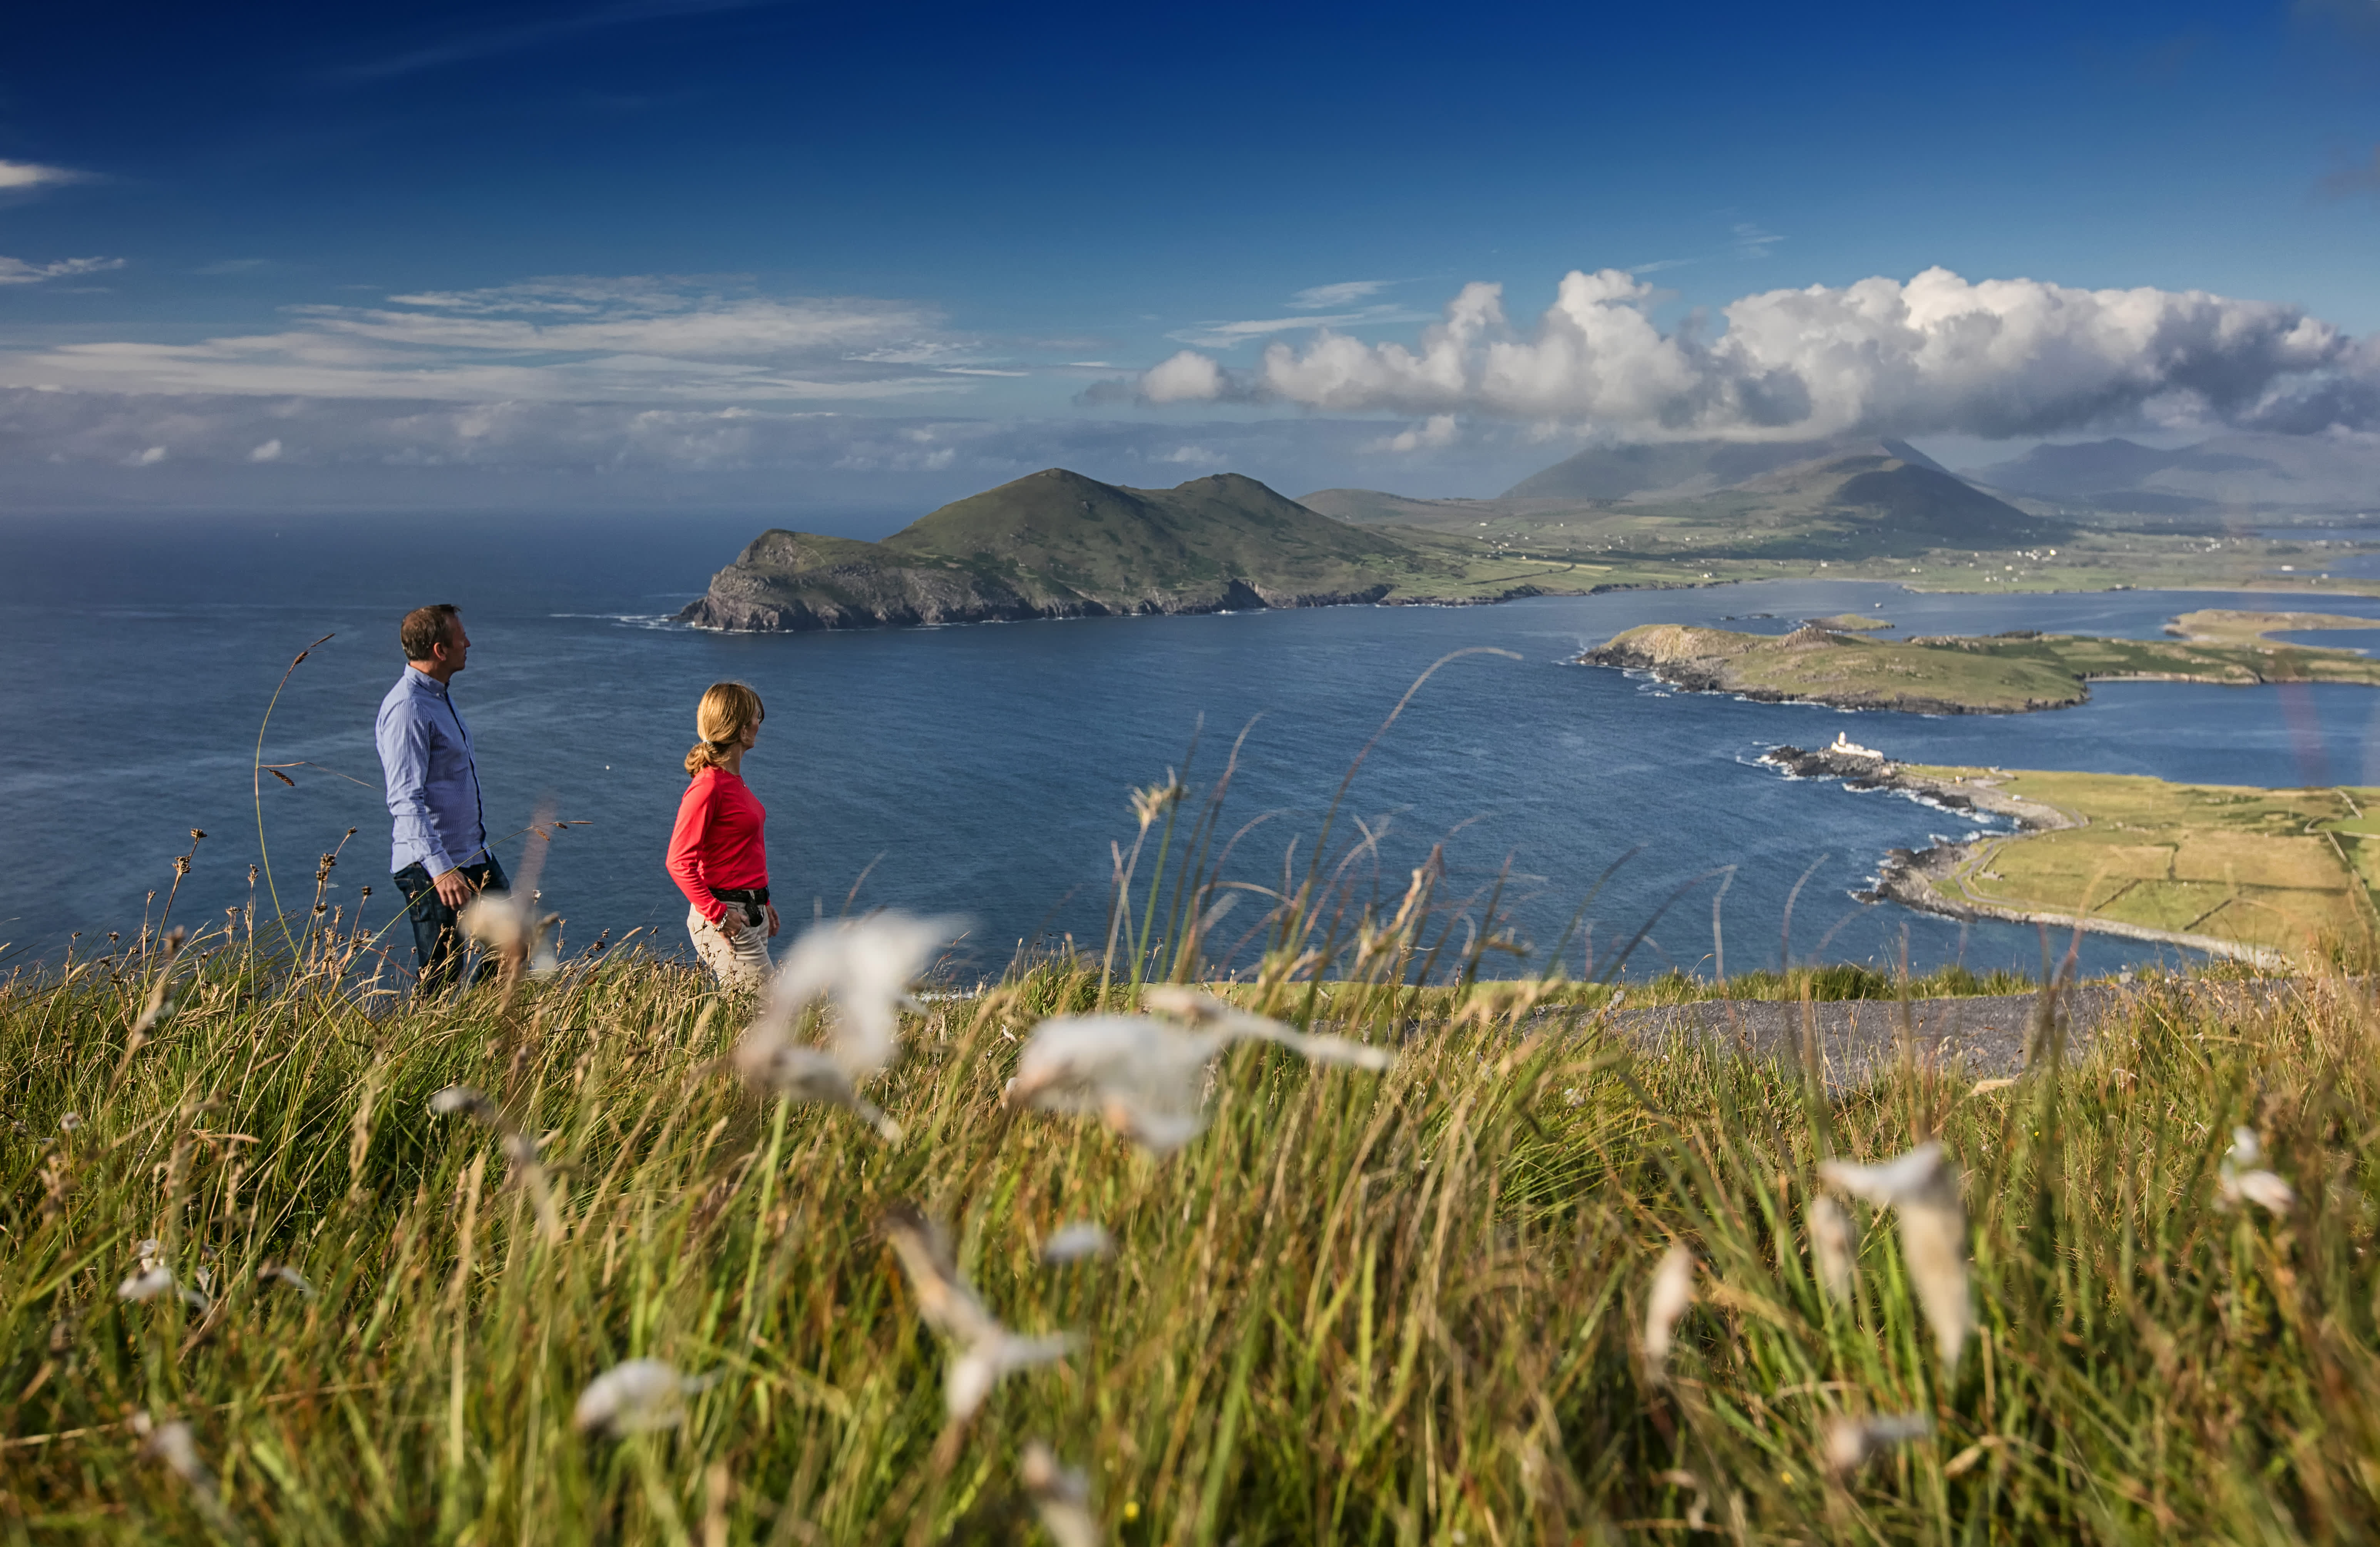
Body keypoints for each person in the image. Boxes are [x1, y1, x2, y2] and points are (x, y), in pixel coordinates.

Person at [376, 603, 507, 994]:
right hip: (432, 865)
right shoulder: (408, 709)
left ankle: (480, 1037)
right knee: (441, 977)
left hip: (471, 854)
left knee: (513, 944)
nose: (469, 643)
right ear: (439, 650)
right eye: (460, 637)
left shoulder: (436, 698)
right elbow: (404, 799)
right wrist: (441, 869)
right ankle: (426, 1048)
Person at [666, 681, 778, 986]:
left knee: (750, 1020)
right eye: (757, 717)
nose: (760, 724)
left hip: (749, 913)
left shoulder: (733, 782)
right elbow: (678, 862)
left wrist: (763, 902)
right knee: (771, 1014)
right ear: (742, 730)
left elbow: (740, 853)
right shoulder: (708, 786)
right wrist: (717, 915)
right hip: (726, 916)